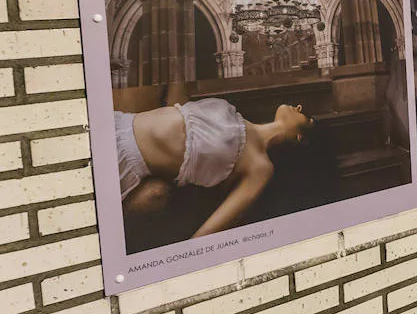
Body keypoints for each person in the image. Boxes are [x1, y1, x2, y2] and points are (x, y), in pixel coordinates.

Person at [114, 82, 312, 239]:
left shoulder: (260, 167)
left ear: (300, 138)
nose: (299, 107)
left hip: (121, 164)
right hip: (118, 122)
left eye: (308, 117)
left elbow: (209, 233)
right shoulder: (238, 116)